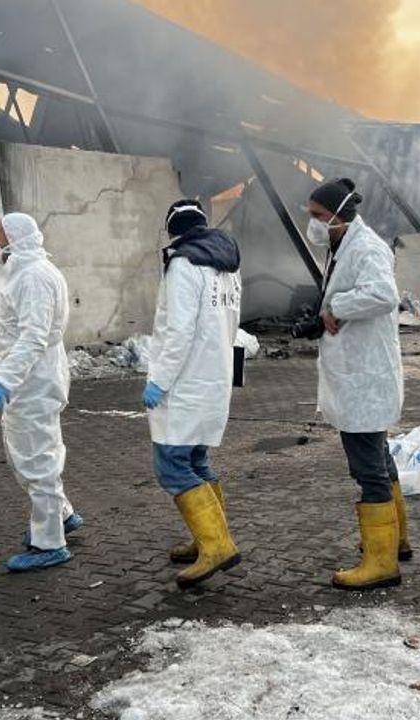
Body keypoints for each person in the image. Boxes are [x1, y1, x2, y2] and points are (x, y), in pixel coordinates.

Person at [304, 178, 412, 591]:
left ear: (336, 214)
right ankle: (397, 541)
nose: (312, 224)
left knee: (367, 467)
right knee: (379, 459)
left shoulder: (365, 247)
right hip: (361, 375)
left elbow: (384, 295)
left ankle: (380, 563)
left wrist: (337, 307)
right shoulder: (345, 245)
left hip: (365, 379)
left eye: (316, 216)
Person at [143, 200, 242, 589]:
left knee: (171, 464)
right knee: (196, 457)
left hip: (185, 380)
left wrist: (160, 381)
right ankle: (209, 538)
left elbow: (178, 331)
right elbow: (231, 322)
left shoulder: (184, 264)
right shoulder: (228, 264)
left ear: (174, 231)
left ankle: (217, 545)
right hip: (213, 375)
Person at [0, 213, 83, 572]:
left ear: (15, 237)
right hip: (28, 380)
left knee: (37, 459)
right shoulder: (20, 272)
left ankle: (50, 542)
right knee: (24, 455)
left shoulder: (34, 276)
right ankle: (63, 515)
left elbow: (34, 336)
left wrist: (5, 378)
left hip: (33, 381)